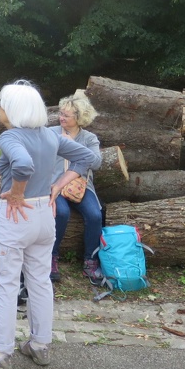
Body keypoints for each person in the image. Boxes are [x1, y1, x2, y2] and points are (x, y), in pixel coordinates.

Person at [0, 80, 96, 369]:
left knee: (5, 284)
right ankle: (40, 344)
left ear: (13, 109)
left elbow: (23, 165)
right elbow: (87, 158)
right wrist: (57, 186)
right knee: (40, 281)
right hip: (43, 215)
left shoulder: (11, 136)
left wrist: (16, 193)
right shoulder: (50, 135)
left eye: (1, 105)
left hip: (16, 217)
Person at [50, 94, 103, 284]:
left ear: (79, 118)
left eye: (66, 115)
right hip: (54, 185)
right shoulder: (51, 133)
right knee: (61, 212)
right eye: (61, 113)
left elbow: (96, 163)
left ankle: (90, 261)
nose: (61, 118)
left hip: (80, 186)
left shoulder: (89, 138)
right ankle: (51, 257)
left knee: (95, 215)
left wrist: (71, 145)